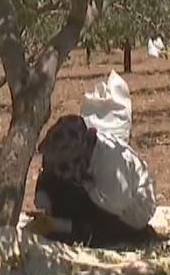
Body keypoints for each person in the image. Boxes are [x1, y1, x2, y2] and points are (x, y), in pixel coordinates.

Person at [31, 73, 160, 248]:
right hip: (94, 192)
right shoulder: (79, 159)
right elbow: (44, 193)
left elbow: (106, 215)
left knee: (96, 232)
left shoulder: (112, 169)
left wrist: (57, 225)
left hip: (125, 217)